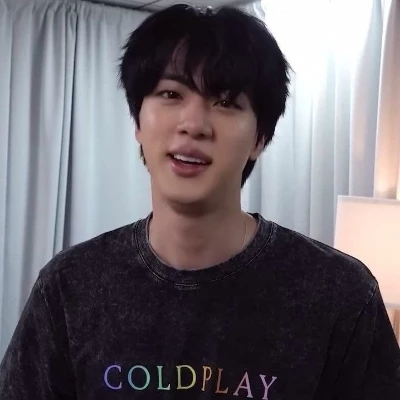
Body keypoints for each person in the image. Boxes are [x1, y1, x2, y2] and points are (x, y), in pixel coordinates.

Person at [1, 4, 399, 399]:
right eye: (170, 94)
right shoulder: (70, 287)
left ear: (260, 138)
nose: (193, 125)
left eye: (225, 101)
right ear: (138, 121)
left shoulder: (338, 296)